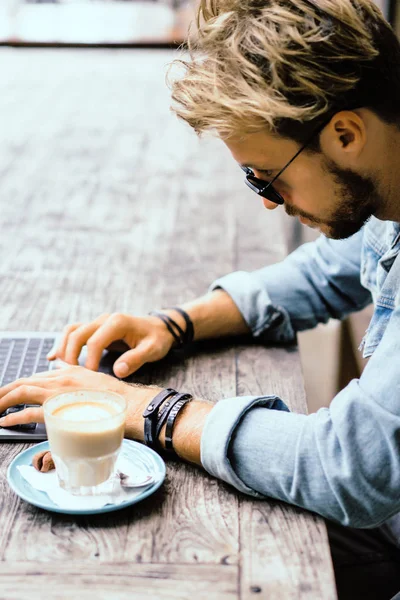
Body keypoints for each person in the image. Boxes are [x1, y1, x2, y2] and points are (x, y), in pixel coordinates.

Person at [1, 0, 400, 597]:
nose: (266, 201)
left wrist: (147, 411)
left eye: (267, 176)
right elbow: (327, 272)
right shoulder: (386, 200)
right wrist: (175, 324)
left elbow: (345, 466)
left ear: (345, 134)